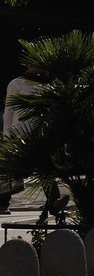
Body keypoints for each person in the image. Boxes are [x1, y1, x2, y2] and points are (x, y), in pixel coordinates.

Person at [2, 63, 43, 214]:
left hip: (39, 133)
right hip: (18, 133)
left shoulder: (46, 85)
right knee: (11, 170)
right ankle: (3, 203)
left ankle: (53, 200)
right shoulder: (16, 83)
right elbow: (8, 111)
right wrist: (7, 135)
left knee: (44, 167)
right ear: (29, 66)